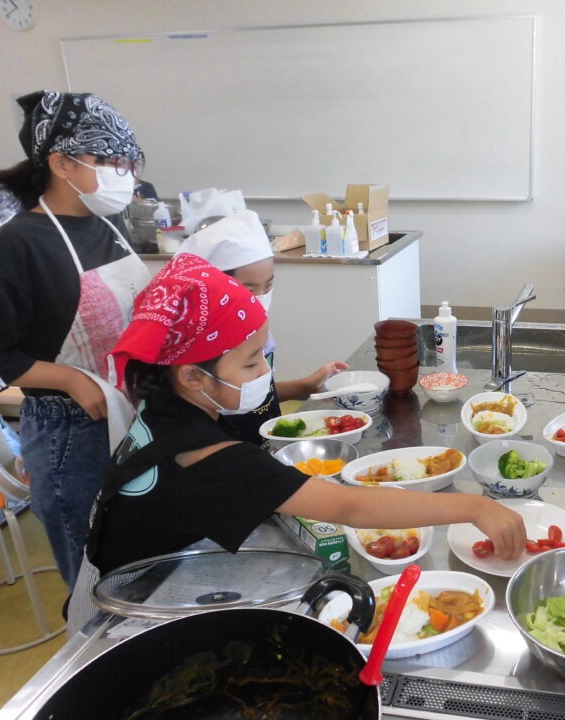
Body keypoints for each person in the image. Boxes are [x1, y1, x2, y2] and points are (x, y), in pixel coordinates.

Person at [67, 254, 527, 632]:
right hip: (124, 615)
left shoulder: (164, 404)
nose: (264, 375)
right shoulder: (210, 459)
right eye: (251, 364)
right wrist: (474, 508)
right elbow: (350, 507)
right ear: (191, 376)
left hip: (122, 575)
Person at [0, 91, 149, 589]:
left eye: (128, 163)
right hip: (69, 432)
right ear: (61, 164)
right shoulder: (18, 240)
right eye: (110, 161)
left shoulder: (108, 225)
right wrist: (72, 381)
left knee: (136, 558)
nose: (124, 174)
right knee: (93, 574)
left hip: (130, 410)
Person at [178, 210, 348, 446]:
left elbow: (256, 393)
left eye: (268, 286)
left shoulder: (258, 332)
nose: (260, 297)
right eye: (248, 290)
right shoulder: (205, 349)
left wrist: (306, 385)